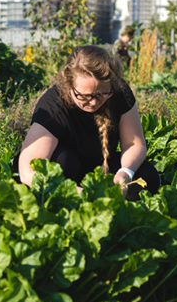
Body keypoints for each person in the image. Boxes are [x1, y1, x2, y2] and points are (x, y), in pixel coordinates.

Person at [17, 45, 160, 201]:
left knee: (148, 175)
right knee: (64, 160)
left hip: (102, 168)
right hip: (66, 177)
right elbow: (27, 171)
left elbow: (135, 144)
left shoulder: (119, 92)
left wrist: (125, 172)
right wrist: (78, 193)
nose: (93, 102)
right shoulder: (53, 105)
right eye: (85, 96)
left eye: (103, 94)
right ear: (69, 85)